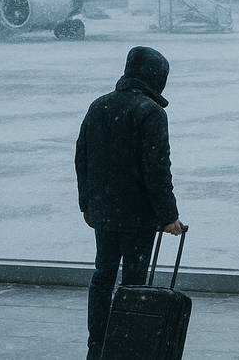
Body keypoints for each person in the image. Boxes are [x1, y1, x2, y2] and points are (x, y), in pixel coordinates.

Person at [75, 46, 184, 360]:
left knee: (103, 275)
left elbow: (81, 158)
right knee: (134, 282)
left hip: (104, 213)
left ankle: (97, 343)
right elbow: (156, 169)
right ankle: (127, 344)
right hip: (137, 217)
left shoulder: (98, 106)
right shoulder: (150, 112)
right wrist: (169, 215)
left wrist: (87, 203)